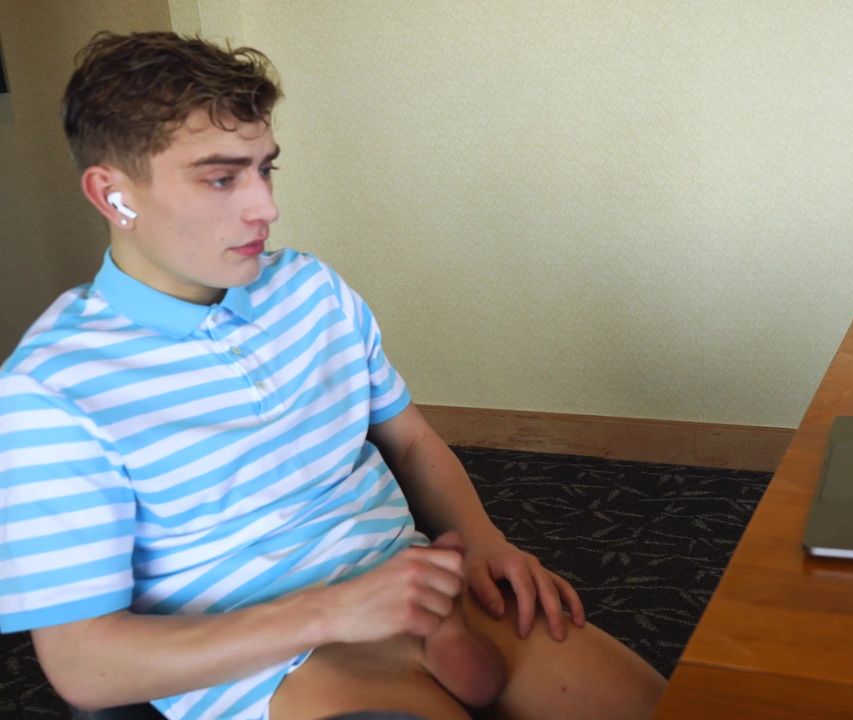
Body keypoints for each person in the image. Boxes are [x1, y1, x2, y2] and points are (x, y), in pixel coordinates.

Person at [0, 31, 665, 720]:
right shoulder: (52, 390)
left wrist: (482, 543)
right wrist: (335, 612)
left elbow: (409, 438)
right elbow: (84, 667)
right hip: (268, 662)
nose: (265, 207)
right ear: (113, 195)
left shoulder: (309, 289)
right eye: (222, 179)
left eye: (265, 170)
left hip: (410, 585)